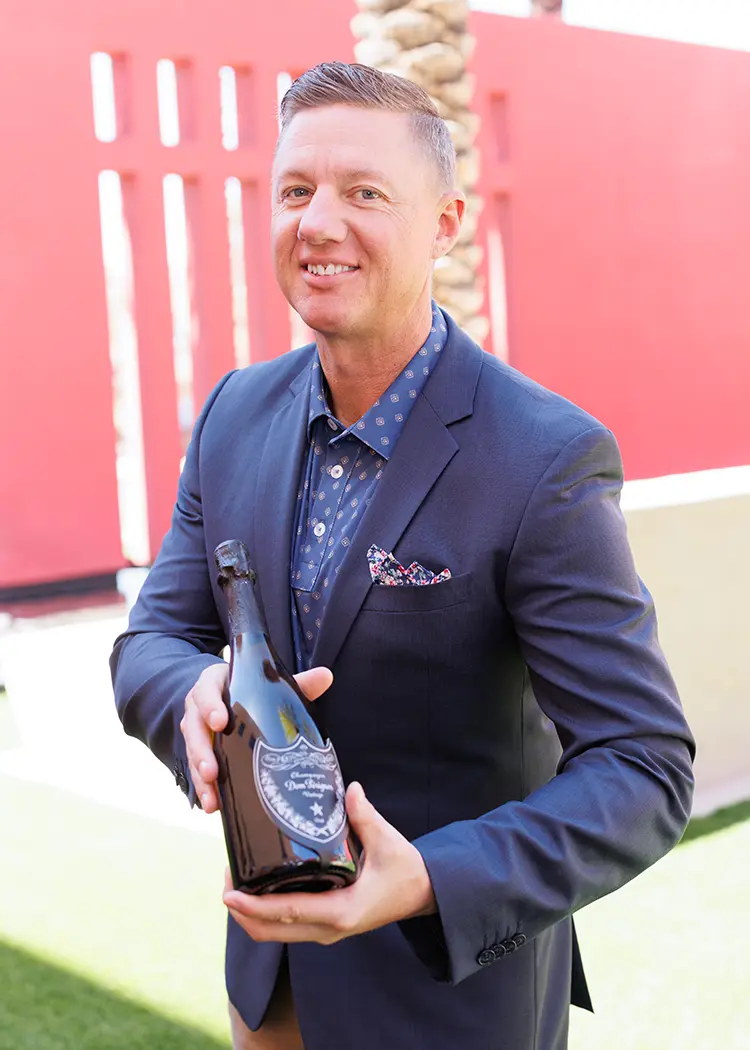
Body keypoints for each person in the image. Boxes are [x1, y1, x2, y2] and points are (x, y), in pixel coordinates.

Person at [110, 61, 695, 1050]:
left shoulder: (544, 458)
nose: (318, 222)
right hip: (271, 988)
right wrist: (190, 697)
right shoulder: (232, 415)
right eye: (296, 190)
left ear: (446, 223)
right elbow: (153, 639)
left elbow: (643, 764)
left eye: (365, 193)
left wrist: (427, 878)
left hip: (451, 999)